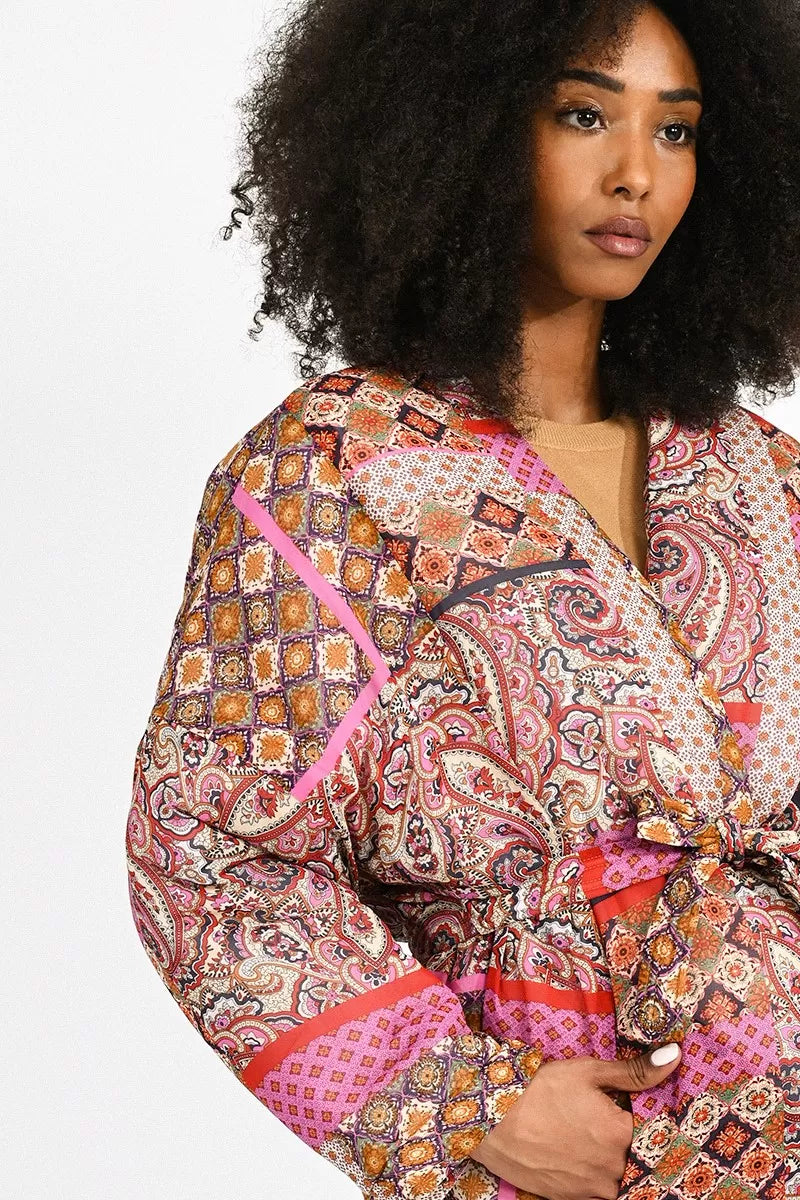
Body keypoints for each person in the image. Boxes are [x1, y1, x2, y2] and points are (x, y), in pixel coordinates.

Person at [125, 2, 800, 1198]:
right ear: (464, 127)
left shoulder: (762, 475)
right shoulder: (333, 472)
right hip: (567, 1154)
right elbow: (209, 845)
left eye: (676, 131)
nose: (634, 173)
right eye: (581, 115)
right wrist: (460, 1105)